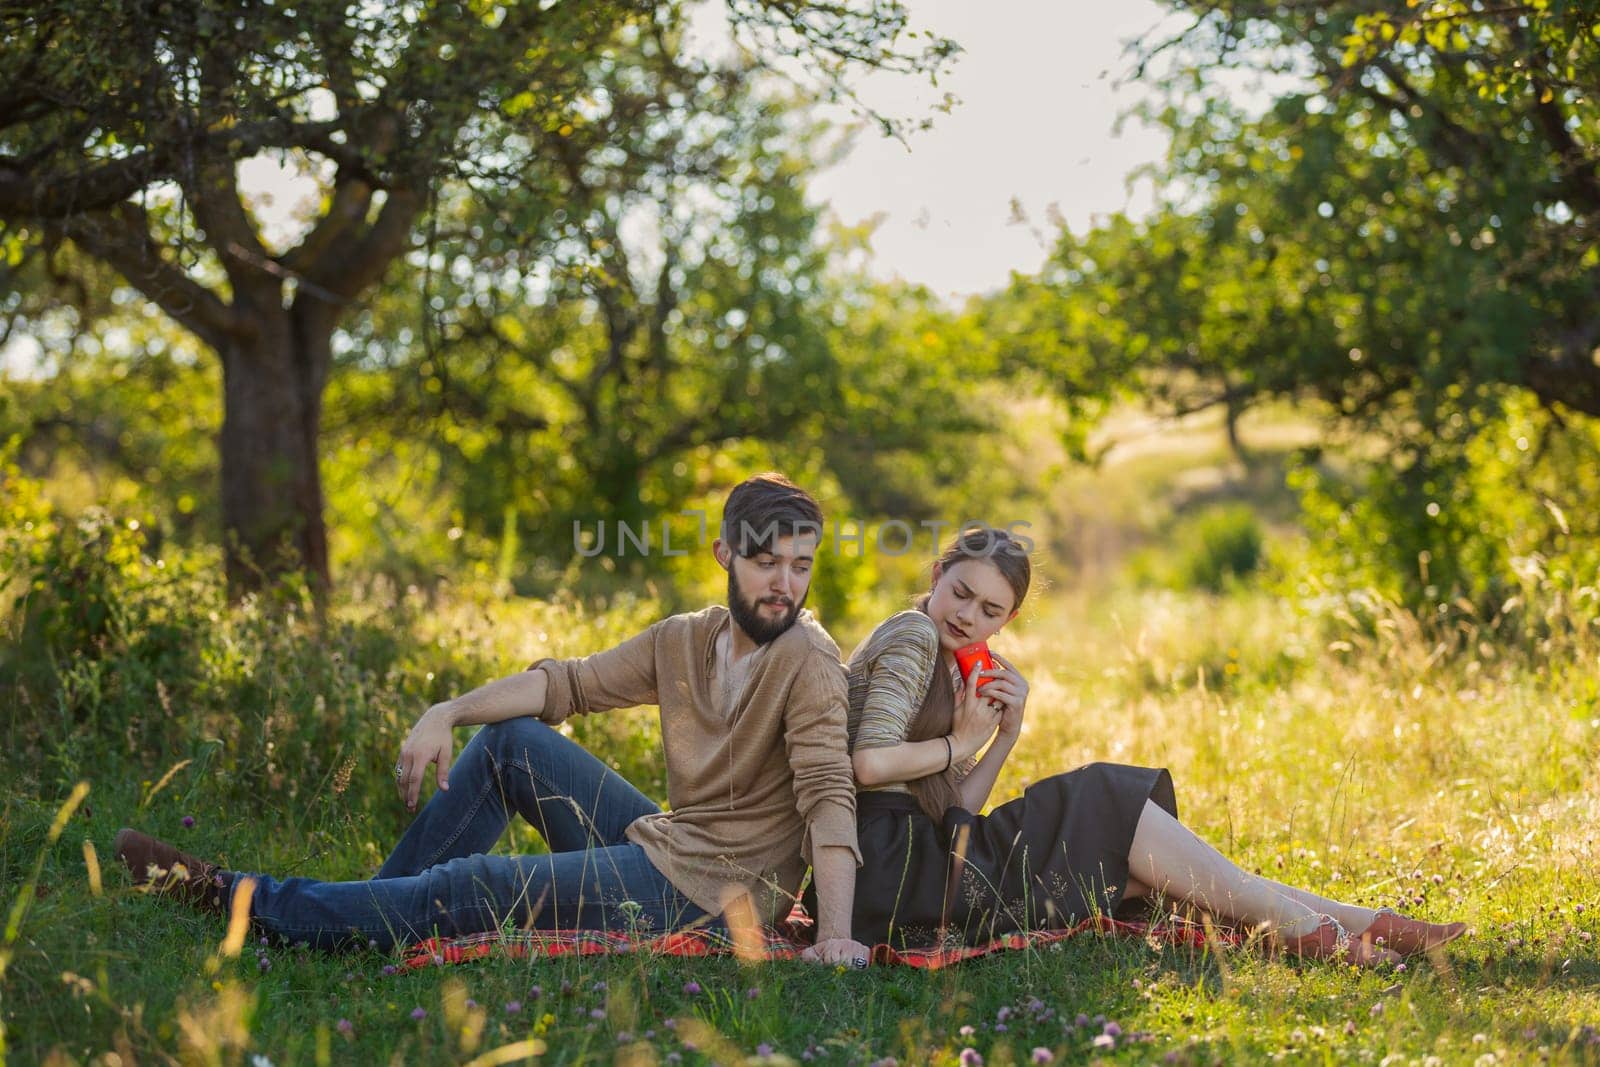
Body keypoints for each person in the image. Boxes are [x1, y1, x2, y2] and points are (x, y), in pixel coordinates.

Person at [114, 473, 870, 965]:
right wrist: (448, 709)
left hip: (717, 897)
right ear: (724, 555)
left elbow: (830, 799)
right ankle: (369, 918)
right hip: (669, 845)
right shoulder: (684, 637)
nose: (785, 583)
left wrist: (833, 936)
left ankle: (237, 897)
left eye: (801, 566)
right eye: (768, 561)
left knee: (475, 882)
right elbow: (565, 685)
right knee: (509, 740)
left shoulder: (807, 660)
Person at [837, 525, 1466, 964]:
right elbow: (867, 766)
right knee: (1101, 798)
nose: (969, 615)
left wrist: (1004, 737)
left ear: (1009, 620)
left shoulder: (956, 665)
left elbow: (958, 814)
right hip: (881, 868)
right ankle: (1329, 929)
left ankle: (1351, 925)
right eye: (962, 593)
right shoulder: (914, 634)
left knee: (1135, 854)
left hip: (920, 857)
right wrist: (959, 742)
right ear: (938, 574)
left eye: (991, 610)